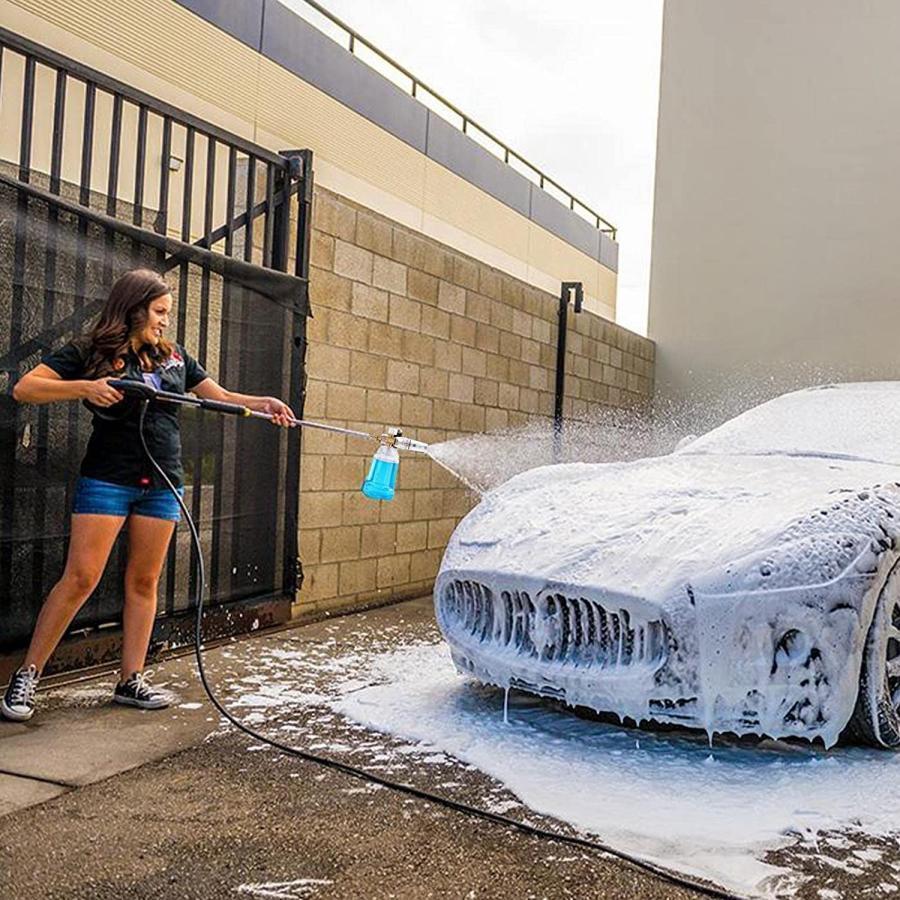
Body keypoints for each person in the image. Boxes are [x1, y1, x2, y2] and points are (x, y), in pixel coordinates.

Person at [1, 268, 294, 721]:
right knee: (81, 577)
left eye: (167, 313)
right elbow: (25, 388)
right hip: (108, 479)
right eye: (159, 312)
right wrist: (87, 387)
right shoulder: (90, 349)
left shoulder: (175, 356)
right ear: (134, 308)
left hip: (162, 482)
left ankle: (130, 680)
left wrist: (264, 403)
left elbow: (217, 396)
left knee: (144, 581)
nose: (163, 321)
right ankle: (28, 676)